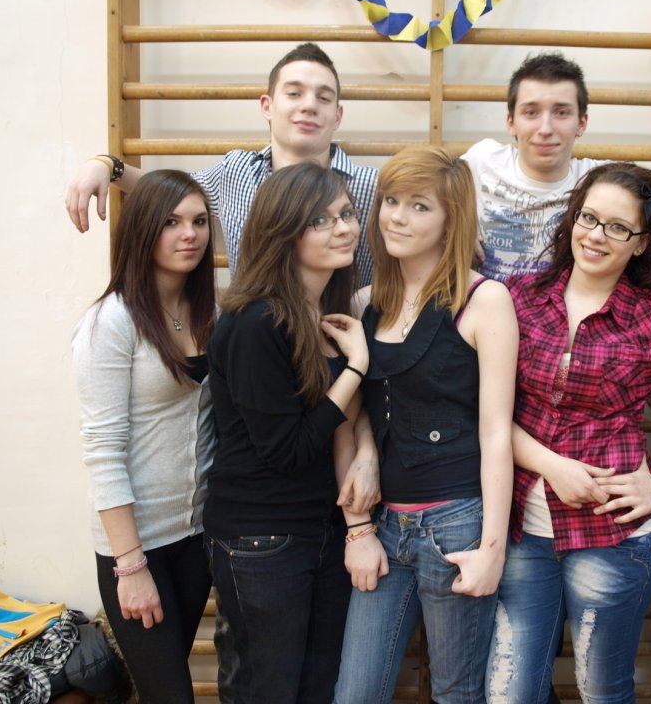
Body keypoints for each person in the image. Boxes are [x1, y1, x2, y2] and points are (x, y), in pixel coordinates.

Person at [486, 162, 651, 704]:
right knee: (509, 693)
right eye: (588, 218)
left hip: (616, 539)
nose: (595, 236)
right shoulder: (517, 297)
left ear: (642, 243)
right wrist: (552, 465)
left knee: (601, 692)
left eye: (618, 227)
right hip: (521, 531)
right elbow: (486, 415)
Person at [333, 146, 518, 704]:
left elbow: (496, 433)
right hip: (385, 526)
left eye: (419, 206)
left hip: (457, 525)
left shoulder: (485, 300)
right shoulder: (364, 302)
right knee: (355, 694)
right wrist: (358, 527)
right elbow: (354, 414)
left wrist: (492, 550)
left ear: (450, 220)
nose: (397, 217)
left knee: (455, 694)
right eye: (391, 201)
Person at [204, 162, 376, 704]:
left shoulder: (324, 312)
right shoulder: (256, 321)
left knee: (316, 689)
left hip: (320, 530)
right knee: (267, 692)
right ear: (283, 233)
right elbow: (289, 451)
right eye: (319, 220)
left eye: (346, 214)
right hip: (260, 538)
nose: (342, 228)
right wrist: (355, 369)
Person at [71, 169, 217, 704]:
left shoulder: (208, 312)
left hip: (196, 537)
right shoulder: (110, 322)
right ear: (142, 231)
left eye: (199, 221)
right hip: (136, 546)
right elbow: (103, 452)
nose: (189, 234)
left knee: (163, 688)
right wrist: (129, 566)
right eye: (171, 222)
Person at [64, 43, 378, 285]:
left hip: (346, 340)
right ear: (267, 106)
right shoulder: (236, 171)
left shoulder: (372, 186)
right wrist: (107, 166)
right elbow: (166, 191)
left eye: (324, 98)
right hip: (252, 337)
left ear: (337, 116)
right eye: (294, 93)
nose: (309, 105)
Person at [463, 51, 651, 282]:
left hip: (557, 319)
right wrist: (454, 227)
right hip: (484, 315)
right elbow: (436, 184)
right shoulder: (483, 160)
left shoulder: (596, 181)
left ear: (581, 123)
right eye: (531, 112)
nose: (545, 129)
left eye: (561, 112)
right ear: (511, 122)